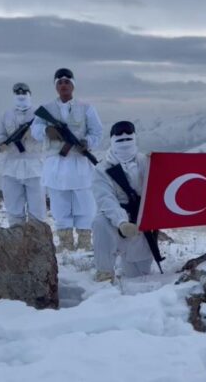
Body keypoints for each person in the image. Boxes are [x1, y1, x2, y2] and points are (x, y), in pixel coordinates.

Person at [31, 68, 103, 252]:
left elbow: (97, 132)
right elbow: (35, 129)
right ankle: (65, 243)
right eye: (60, 82)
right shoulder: (46, 109)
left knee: (85, 204)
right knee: (59, 203)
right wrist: (47, 131)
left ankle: (85, 243)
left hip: (79, 163)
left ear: (73, 85)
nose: (63, 85)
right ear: (56, 86)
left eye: (67, 82)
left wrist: (87, 142)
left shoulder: (87, 108)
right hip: (56, 163)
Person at [92, 121, 154, 282]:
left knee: (139, 276)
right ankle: (104, 272)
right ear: (112, 141)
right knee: (100, 222)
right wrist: (121, 222)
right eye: (120, 140)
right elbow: (106, 199)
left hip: (142, 221)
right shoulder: (102, 169)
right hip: (116, 221)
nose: (124, 143)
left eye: (128, 139)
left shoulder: (147, 162)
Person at [0, 82, 46, 227]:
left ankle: (38, 242)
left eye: (24, 92)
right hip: (11, 167)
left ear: (30, 94)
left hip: (34, 166)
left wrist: (34, 134)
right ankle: (17, 241)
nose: (21, 95)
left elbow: (47, 135)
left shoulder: (39, 114)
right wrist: (2, 143)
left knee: (37, 211)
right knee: (14, 209)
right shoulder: (6, 115)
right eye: (17, 93)